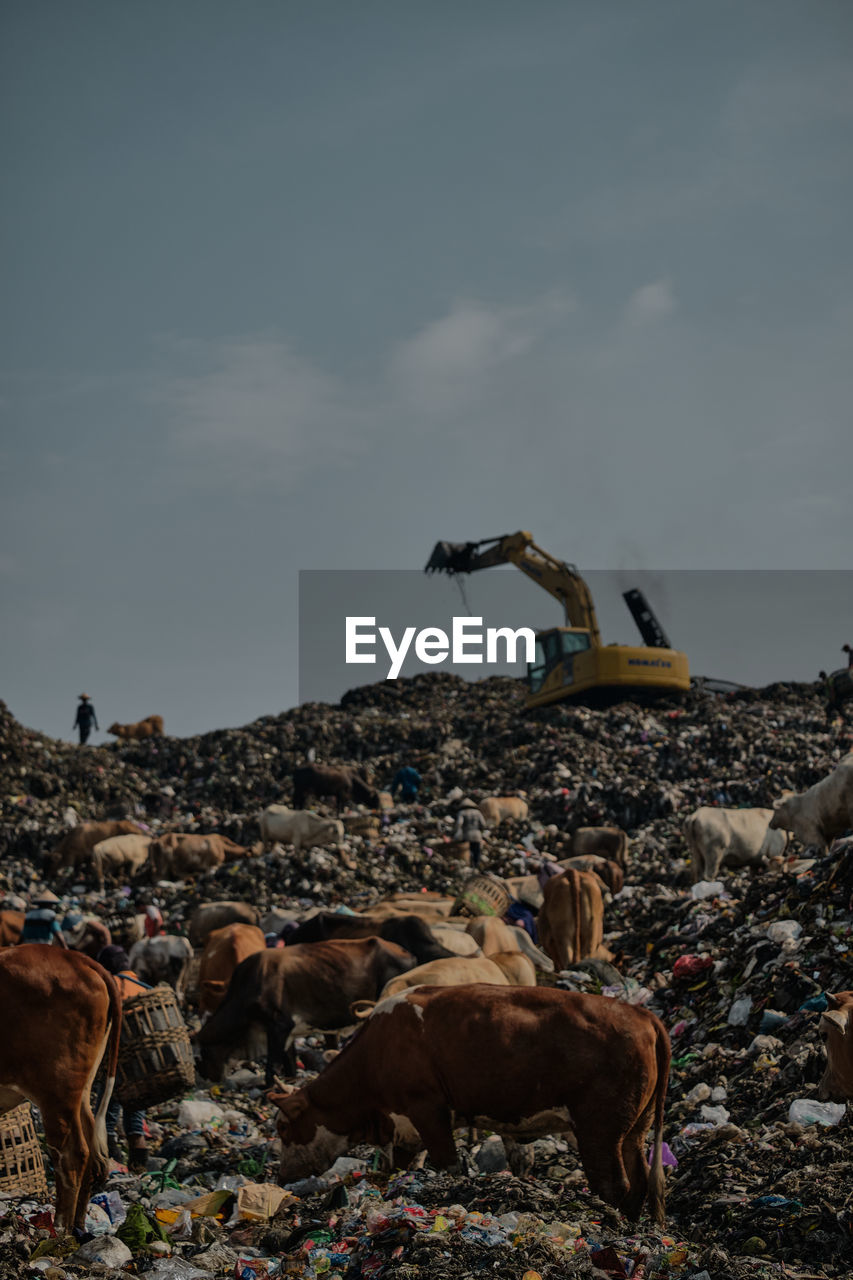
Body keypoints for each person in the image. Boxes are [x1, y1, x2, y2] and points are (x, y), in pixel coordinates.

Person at [95, 945, 151, 1171]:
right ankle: (139, 1166)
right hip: (142, 1063)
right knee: (135, 1116)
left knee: (107, 1110)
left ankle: (109, 1160)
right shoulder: (145, 988)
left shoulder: (111, 986)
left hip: (116, 1060)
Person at [452, 798, 488, 869]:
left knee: (468, 851)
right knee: (477, 851)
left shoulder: (462, 812)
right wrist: (481, 831)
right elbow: (483, 824)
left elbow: (459, 823)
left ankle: (470, 865)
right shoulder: (477, 812)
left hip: (467, 835)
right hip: (477, 835)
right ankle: (476, 865)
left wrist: (454, 832)